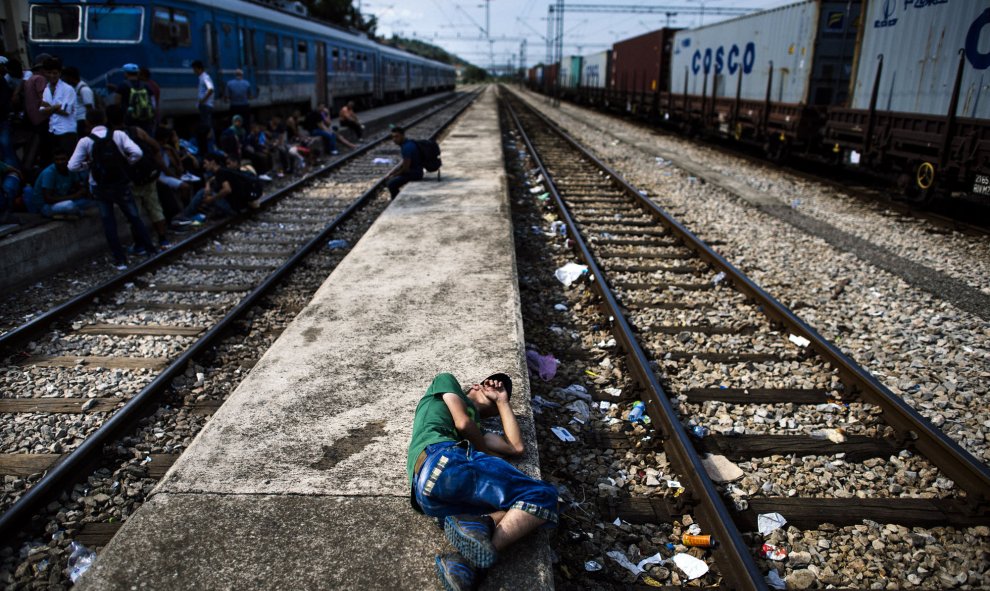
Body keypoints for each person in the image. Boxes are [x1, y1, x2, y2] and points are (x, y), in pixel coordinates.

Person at [408, 373, 557, 591]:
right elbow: (463, 422)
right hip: (443, 459)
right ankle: (480, 529)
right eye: (494, 384)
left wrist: (503, 402)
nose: (497, 389)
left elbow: (516, 447)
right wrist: (485, 453)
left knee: (524, 510)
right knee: (543, 495)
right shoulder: (446, 382)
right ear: (478, 385)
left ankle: (466, 560)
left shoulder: (480, 430)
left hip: (428, 496)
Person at [69, 108, 156, 269]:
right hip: (121, 184)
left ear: (87, 123)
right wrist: (126, 163)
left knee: (109, 222)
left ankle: (120, 260)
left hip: (99, 187)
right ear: (104, 118)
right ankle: (150, 250)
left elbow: (72, 166)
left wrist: (88, 165)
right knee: (134, 217)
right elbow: (137, 153)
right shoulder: (118, 135)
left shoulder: (85, 141)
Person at [27, 147, 92, 217]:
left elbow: (78, 187)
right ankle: (78, 213)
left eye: (63, 159)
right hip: (46, 206)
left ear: (68, 159)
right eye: (57, 160)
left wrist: (83, 190)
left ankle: (74, 212)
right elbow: (48, 199)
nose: (60, 162)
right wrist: (74, 196)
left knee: (91, 203)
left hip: (62, 201)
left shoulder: (71, 169)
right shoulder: (49, 173)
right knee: (70, 205)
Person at [21, 53, 53, 171]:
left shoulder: (30, 79)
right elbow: (43, 98)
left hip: (33, 119)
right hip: (42, 118)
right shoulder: (40, 79)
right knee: (46, 148)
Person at [385, 125, 423, 199]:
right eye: (393, 137)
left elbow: (405, 169)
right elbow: (403, 162)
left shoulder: (406, 148)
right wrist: (391, 172)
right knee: (393, 180)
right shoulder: (408, 143)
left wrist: (394, 175)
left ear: (402, 135)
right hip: (417, 171)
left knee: (391, 184)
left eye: (397, 136)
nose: (394, 139)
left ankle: (396, 200)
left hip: (415, 174)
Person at [115, 63, 155, 132]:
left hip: (129, 120)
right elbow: (153, 102)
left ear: (126, 73)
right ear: (137, 73)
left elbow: (117, 103)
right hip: (146, 119)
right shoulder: (145, 85)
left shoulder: (122, 85)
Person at [62, 66, 95, 136]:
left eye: (65, 77)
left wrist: (89, 125)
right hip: (77, 122)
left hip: (83, 122)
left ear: (70, 77)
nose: (63, 80)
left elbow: (90, 109)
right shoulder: (74, 88)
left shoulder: (84, 90)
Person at [192, 60, 214, 129]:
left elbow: (210, 89)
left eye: (195, 69)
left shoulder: (205, 77)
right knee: (206, 125)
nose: (194, 71)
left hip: (206, 105)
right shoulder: (202, 78)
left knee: (207, 126)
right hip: (204, 105)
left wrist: (203, 101)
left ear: (199, 69)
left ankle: (210, 139)